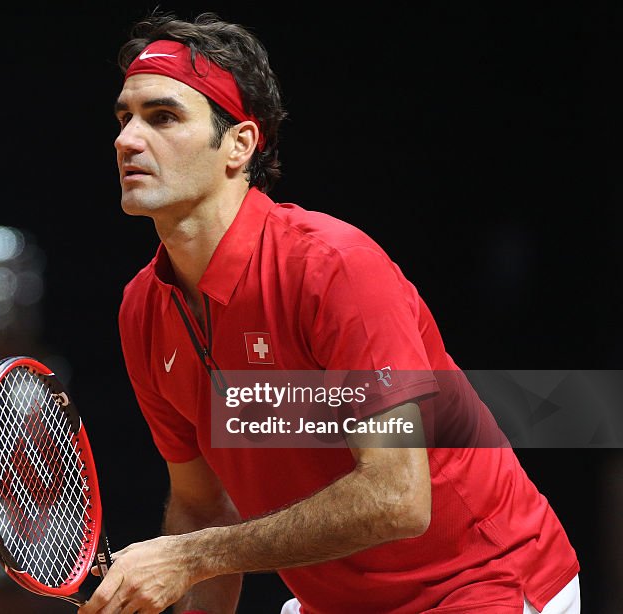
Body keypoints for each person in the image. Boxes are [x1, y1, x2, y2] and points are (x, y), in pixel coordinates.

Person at [82, 11, 581, 614]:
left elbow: (397, 497)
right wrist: (189, 556)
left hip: (482, 584)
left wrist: (188, 558)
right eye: (125, 119)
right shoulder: (143, 308)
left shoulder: (333, 267)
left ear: (240, 144)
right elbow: (201, 506)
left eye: (162, 117)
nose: (127, 140)